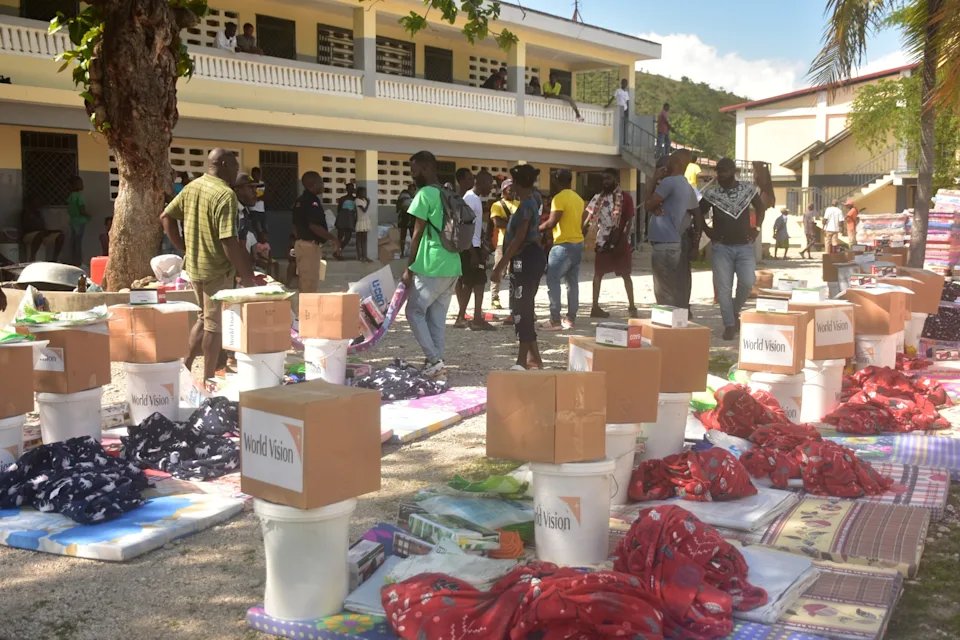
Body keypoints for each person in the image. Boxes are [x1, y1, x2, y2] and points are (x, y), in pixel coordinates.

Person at [160, 148, 261, 384]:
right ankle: (207, 380)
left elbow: (166, 216)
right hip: (216, 269)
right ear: (223, 164)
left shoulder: (193, 186)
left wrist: (184, 247)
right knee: (214, 327)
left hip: (194, 266)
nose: (237, 171)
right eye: (235, 166)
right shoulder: (226, 195)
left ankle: (183, 370)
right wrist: (247, 277)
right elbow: (228, 241)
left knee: (203, 319)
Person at [696, 158, 774, 340]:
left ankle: (733, 310)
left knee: (748, 281)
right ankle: (729, 324)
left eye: (724, 171)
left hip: (744, 246)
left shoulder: (746, 190)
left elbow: (760, 208)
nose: (720, 174)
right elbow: (698, 212)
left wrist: (757, 229)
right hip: (721, 247)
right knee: (723, 288)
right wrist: (708, 231)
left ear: (733, 171)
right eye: (718, 171)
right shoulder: (712, 194)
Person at [404, 151, 462, 380]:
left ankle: (434, 360)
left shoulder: (425, 194)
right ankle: (436, 364)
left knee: (414, 311)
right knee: (436, 318)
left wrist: (409, 267)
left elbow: (417, 234)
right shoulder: (448, 192)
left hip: (432, 263)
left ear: (426, 168)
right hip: (453, 264)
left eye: (414, 169)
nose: (412, 174)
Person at [492, 164, 547, 370]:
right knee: (522, 306)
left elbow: (518, 239)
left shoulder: (526, 205)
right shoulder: (528, 202)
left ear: (518, 182)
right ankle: (535, 358)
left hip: (526, 259)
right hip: (525, 259)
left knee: (522, 308)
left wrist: (499, 266)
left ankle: (522, 359)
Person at [644, 150, 698, 310]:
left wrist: (654, 179)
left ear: (674, 163)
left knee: (663, 291)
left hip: (663, 243)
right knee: (674, 287)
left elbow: (647, 204)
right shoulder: (685, 185)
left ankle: (669, 328)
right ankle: (679, 320)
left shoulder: (669, 183)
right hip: (674, 242)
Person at [584, 169, 636, 318]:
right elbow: (589, 218)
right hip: (603, 242)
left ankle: (632, 306)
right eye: (603, 179)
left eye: (608, 178)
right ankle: (595, 307)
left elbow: (629, 220)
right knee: (598, 274)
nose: (605, 181)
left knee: (626, 274)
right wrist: (583, 230)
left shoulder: (625, 198)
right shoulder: (598, 198)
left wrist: (622, 238)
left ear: (616, 179)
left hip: (620, 240)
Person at [539, 169, 585, 331]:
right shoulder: (578, 198)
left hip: (562, 245)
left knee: (553, 280)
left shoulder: (559, 198)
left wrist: (536, 229)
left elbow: (552, 222)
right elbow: (583, 220)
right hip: (577, 244)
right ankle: (570, 318)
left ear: (557, 181)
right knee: (572, 283)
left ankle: (555, 320)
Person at [455, 169, 496, 331]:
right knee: (468, 283)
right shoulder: (470, 199)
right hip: (470, 249)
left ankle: (477, 317)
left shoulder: (476, 199)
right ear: (481, 182)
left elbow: (476, 226)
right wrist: (472, 252)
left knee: (479, 282)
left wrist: (483, 246)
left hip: (476, 247)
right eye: (490, 184)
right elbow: (464, 227)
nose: (491, 188)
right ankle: (461, 317)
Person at [293, 171, 340, 293]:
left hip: (303, 245)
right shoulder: (311, 201)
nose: (322, 184)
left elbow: (295, 225)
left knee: (307, 283)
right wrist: (333, 238)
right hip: (309, 247)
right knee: (309, 285)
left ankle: (306, 310)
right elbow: (314, 226)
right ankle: (307, 312)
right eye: (321, 181)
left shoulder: (300, 200)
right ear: (313, 184)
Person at [489, 179, 519, 311]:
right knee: (498, 270)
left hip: (517, 243)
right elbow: (497, 223)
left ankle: (516, 299)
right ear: (503, 190)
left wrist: (507, 221)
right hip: (503, 243)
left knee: (516, 272)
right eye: (509, 188)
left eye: (514, 188)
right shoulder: (497, 205)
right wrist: (514, 225)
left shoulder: (519, 204)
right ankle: (494, 298)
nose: (512, 191)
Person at [20, 195, 64, 262]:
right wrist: (41, 231)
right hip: (28, 235)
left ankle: (55, 259)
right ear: (31, 203)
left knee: (60, 235)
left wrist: (51, 231)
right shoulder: (26, 213)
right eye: (36, 202)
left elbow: (43, 228)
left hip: (41, 234)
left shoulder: (38, 213)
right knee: (40, 234)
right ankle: (32, 257)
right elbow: (26, 227)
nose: (38, 204)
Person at [66, 176, 90, 266]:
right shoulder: (79, 196)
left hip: (73, 221)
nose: (82, 184)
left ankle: (73, 261)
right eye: (80, 183)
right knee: (78, 243)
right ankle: (78, 262)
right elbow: (82, 210)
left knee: (74, 242)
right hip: (80, 222)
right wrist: (89, 215)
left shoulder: (71, 196)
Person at [335, 183, 357, 260]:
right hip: (342, 218)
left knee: (348, 237)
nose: (351, 190)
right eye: (349, 188)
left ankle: (338, 250)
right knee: (340, 237)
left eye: (352, 188)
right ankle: (338, 254)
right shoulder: (342, 198)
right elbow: (339, 210)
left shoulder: (355, 199)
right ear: (347, 189)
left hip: (350, 220)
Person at [395, 183, 416, 257]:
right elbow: (404, 206)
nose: (413, 191)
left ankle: (412, 253)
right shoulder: (404, 196)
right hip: (404, 218)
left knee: (412, 236)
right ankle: (402, 253)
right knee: (403, 236)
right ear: (410, 189)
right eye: (412, 190)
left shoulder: (411, 196)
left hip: (410, 219)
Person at [354, 186, 372, 263]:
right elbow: (364, 210)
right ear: (359, 193)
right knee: (359, 240)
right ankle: (360, 256)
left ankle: (365, 256)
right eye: (363, 192)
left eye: (365, 192)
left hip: (366, 221)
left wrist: (367, 202)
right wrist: (368, 203)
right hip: (360, 221)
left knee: (364, 240)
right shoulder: (357, 200)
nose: (364, 194)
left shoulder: (364, 200)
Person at [249, 166, 266, 236]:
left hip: (261, 210)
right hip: (253, 210)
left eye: (257, 174)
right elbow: (252, 196)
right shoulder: (249, 184)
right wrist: (256, 197)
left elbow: (262, 196)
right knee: (256, 230)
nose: (255, 176)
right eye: (253, 174)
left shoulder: (262, 183)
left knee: (264, 229)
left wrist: (255, 198)